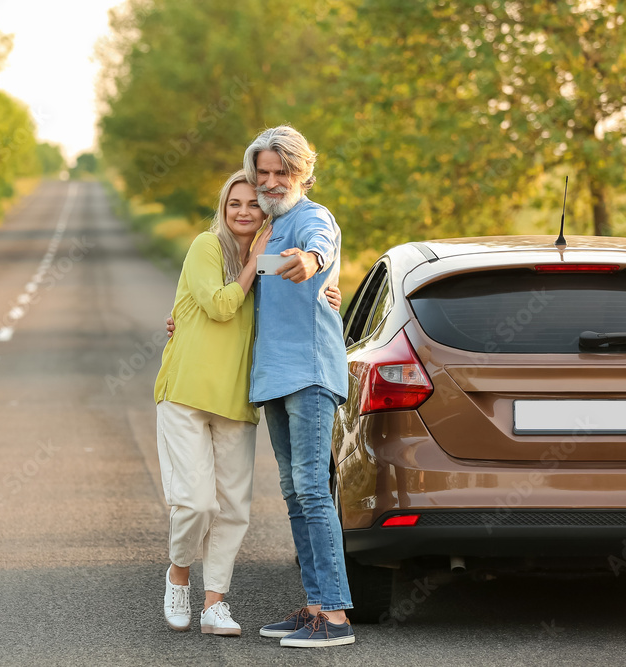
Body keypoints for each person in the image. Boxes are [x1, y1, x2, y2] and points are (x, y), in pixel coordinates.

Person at [155, 170, 341, 637]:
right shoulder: (206, 247)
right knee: (196, 504)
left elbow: (297, 298)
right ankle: (179, 573)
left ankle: (215, 602)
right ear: (223, 208)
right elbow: (220, 306)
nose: (243, 211)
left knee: (235, 508)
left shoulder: (269, 259)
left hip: (238, 397)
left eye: (252, 204)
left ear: (264, 212)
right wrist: (252, 264)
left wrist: (328, 294)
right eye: (234, 202)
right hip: (187, 392)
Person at [243, 125, 355, 648]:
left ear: (303, 173)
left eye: (280, 172)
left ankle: (334, 617)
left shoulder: (312, 218)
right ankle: (313, 605)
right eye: (262, 172)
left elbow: (321, 249)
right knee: (294, 493)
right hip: (275, 377)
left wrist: (313, 263)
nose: (270, 181)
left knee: (312, 489)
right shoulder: (265, 225)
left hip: (309, 373)